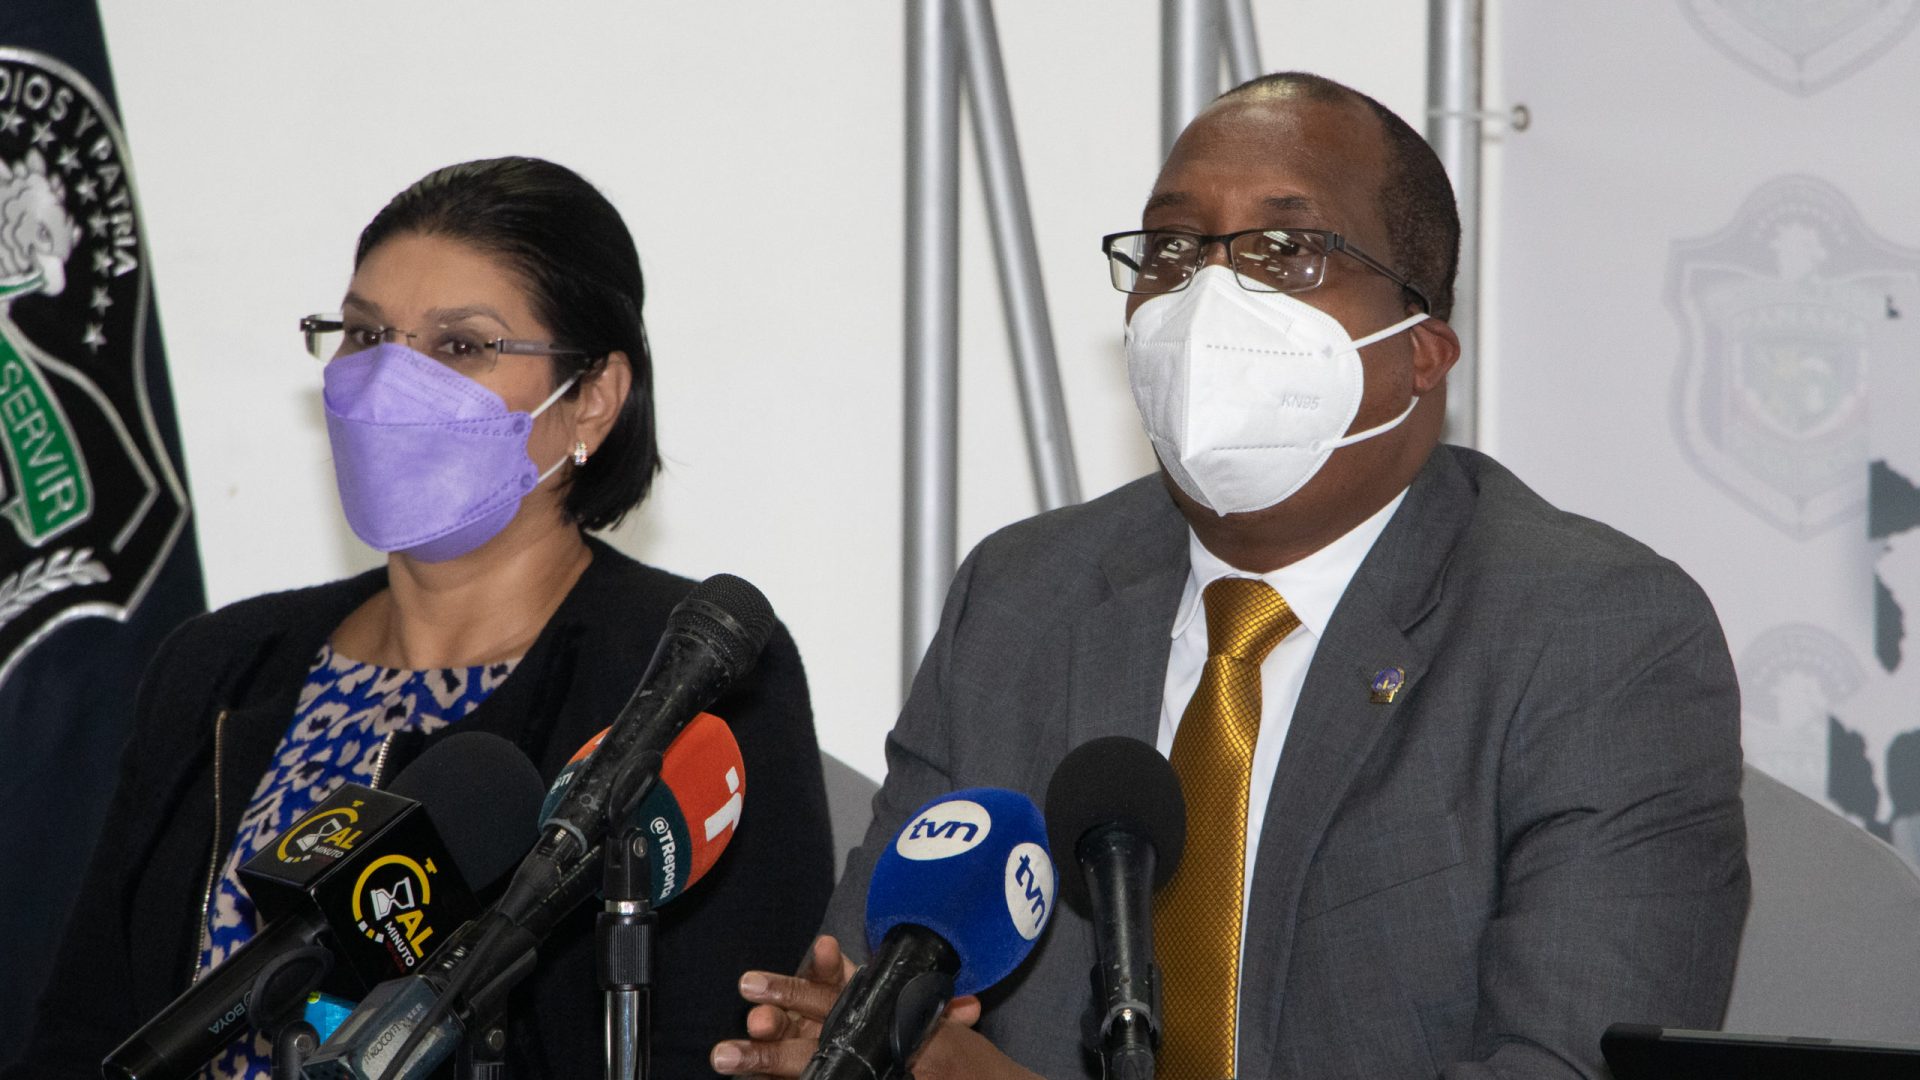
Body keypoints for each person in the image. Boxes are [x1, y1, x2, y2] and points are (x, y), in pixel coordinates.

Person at [712, 72, 1747, 1080]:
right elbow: (867, 984)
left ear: (1423, 351)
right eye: (1172, 248)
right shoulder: (1023, 597)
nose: (1209, 295)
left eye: (1285, 250)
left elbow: (1564, 1062)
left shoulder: (1593, 636)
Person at [7, 156, 835, 1079]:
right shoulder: (216, 665)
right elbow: (81, 1029)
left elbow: (712, 1046)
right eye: (366, 335)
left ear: (592, 399)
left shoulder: (686, 671)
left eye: (460, 346)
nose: (386, 383)